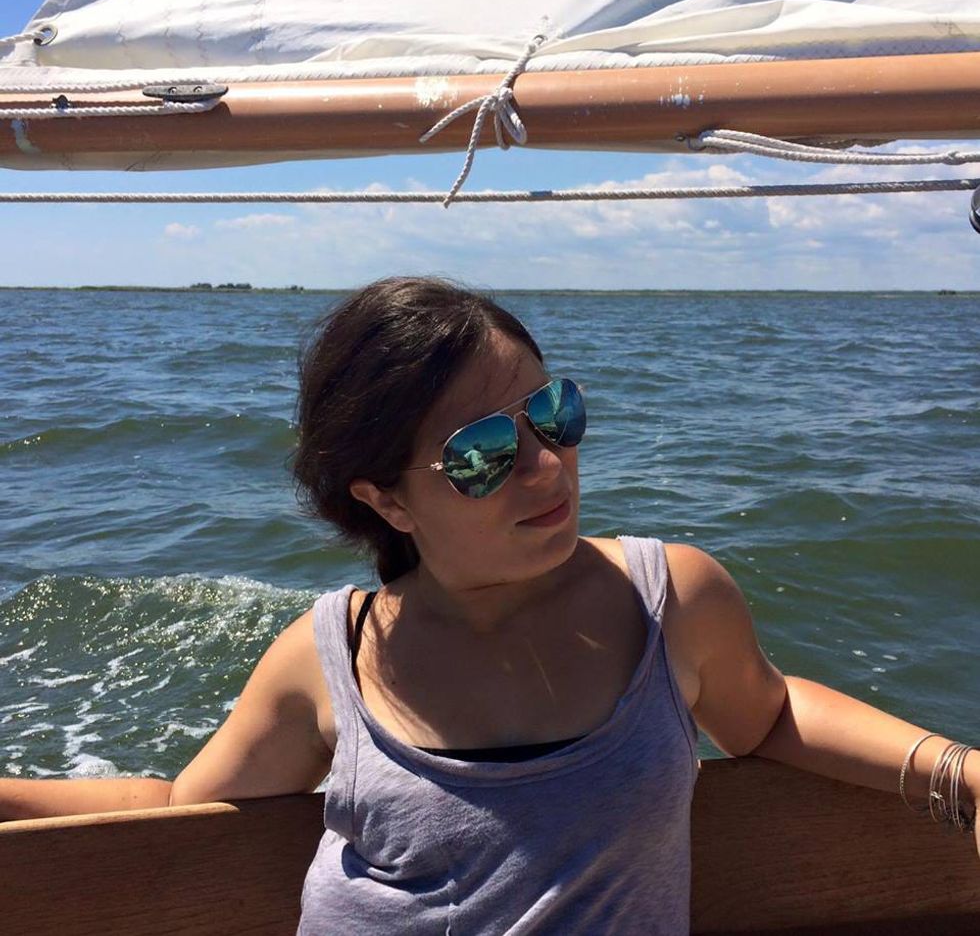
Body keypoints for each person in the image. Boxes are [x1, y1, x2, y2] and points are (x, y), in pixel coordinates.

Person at [1, 276, 977, 934]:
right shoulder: (328, 653)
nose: (547, 465)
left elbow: (765, 712)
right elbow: (185, 804)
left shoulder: (670, 597)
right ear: (385, 499)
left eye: (552, 414)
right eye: (482, 454)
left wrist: (959, 771)